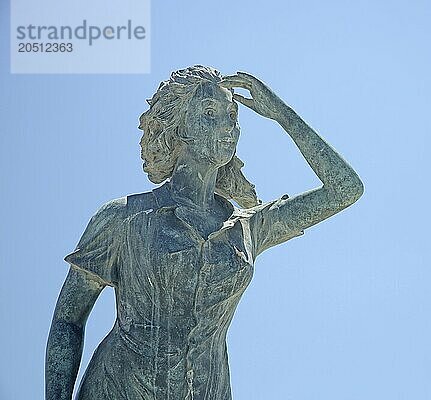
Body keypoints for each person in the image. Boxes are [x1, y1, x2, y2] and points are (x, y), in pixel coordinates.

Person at [45, 65, 363, 400]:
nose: (227, 125)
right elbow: (69, 320)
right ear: (177, 125)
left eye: (232, 115)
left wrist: (282, 115)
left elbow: (345, 189)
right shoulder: (123, 218)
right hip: (120, 388)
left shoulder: (249, 227)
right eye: (209, 113)